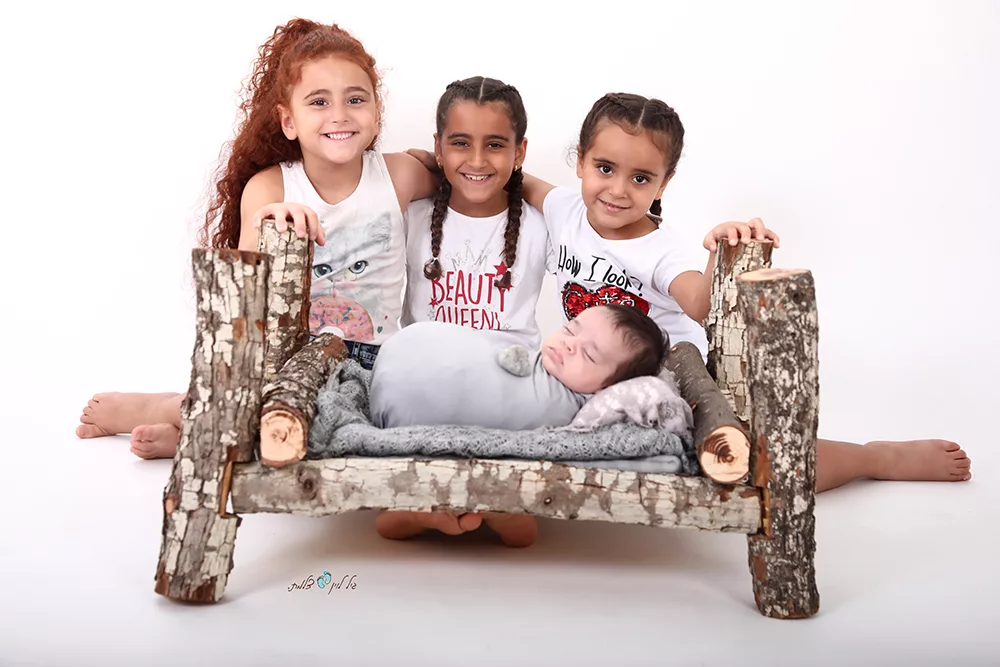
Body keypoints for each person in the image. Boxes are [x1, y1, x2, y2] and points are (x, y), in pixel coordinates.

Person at [514, 91, 972, 493]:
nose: (617, 190)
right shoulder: (564, 210)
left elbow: (701, 304)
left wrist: (720, 250)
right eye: (605, 168)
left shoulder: (658, 251)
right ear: (580, 161)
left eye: (640, 178)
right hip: (592, 368)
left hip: (667, 377)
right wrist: (468, 164)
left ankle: (876, 458)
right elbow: (513, 178)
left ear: (663, 183)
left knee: (752, 465)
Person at [75, 18, 438, 459]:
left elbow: (463, 179)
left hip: (377, 362)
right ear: (289, 121)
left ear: (376, 111)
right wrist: (269, 221)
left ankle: (200, 432)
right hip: (289, 362)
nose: (340, 114)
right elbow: (243, 285)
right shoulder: (271, 187)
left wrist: (443, 160)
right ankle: (167, 409)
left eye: (355, 99)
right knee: (283, 418)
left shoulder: (399, 176)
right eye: (319, 102)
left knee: (380, 423)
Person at [400, 76, 552, 349]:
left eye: (495, 145)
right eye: (461, 143)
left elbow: (584, 222)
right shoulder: (411, 216)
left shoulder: (541, 226)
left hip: (510, 373)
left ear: (519, 152)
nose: (478, 161)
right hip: (422, 370)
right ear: (438, 148)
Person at [370, 303, 667, 430]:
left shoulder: (564, 413)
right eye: (570, 329)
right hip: (402, 355)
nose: (569, 344)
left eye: (588, 355)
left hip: (401, 394)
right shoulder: (538, 359)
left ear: (610, 388)